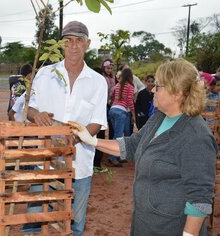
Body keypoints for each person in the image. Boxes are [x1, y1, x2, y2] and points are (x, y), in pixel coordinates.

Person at [70, 59, 217, 236]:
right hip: (145, 223)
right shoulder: (160, 118)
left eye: (158, 86)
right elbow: (132, 145)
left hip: (170, 228)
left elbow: (199, 199)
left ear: (177, 93)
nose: (153, 89)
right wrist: (91, 140)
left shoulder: (196, 136)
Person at [26, 21, 108, 235]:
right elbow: (30, 110)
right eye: (68, 41)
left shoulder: (98, 82)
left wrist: (74, 139)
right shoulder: (45, 74)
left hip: (79, 165)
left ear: (87, 44)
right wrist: (38, 115)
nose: (73, 46)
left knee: (75, 224)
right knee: (35, 219)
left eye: (79, 41)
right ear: (61, 44)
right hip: (44, 162)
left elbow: (97, 122)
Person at [107, 68, 135, 167]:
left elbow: (112, 96)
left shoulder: (117, 85)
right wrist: (133, 115)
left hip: (113, 110)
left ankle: (119, 155)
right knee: (118, 136)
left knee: (118, 134)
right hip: (121, 112)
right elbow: (130, 102)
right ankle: (112, 157)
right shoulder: (130, 86)